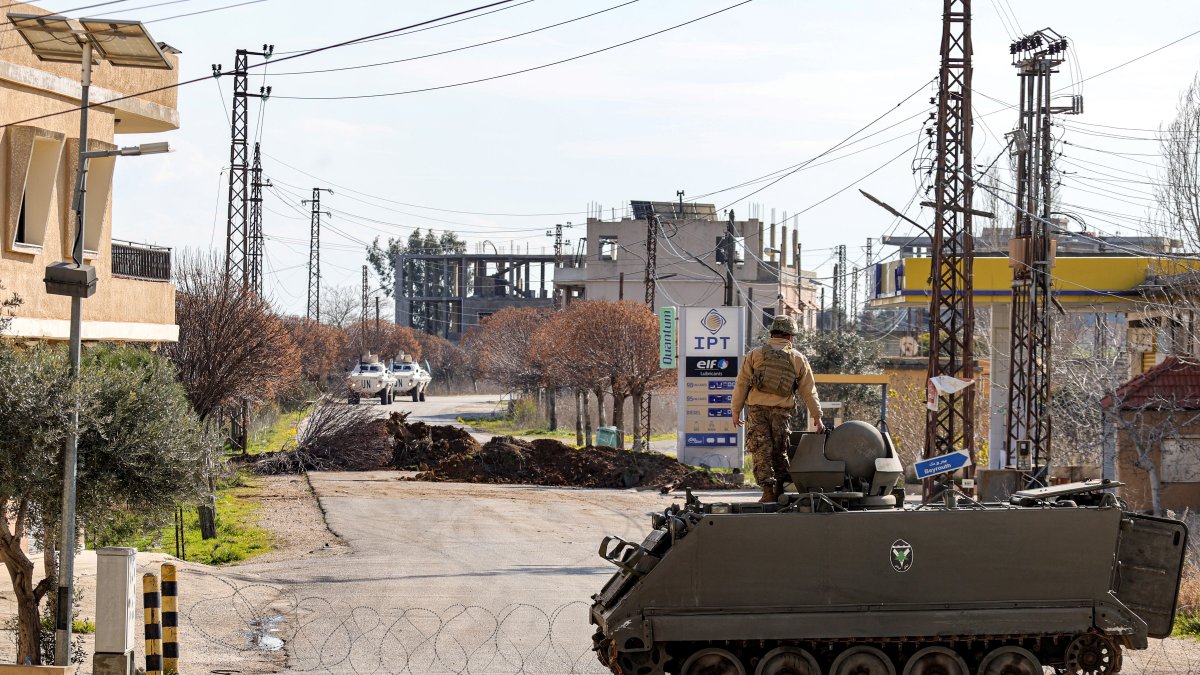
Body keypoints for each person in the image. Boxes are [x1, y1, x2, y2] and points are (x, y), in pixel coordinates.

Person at [732, 315, 824, 503]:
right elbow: (809, 390)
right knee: (779, 450)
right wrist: (817, 416)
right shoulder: (798, 358)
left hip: (757, 411)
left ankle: (767, 492)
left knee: (761, 450)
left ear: (772, 333)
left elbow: (741, 384)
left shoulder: (754, 354)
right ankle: (779, 489)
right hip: (781, 413)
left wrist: (736, 410)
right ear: (790, 336)